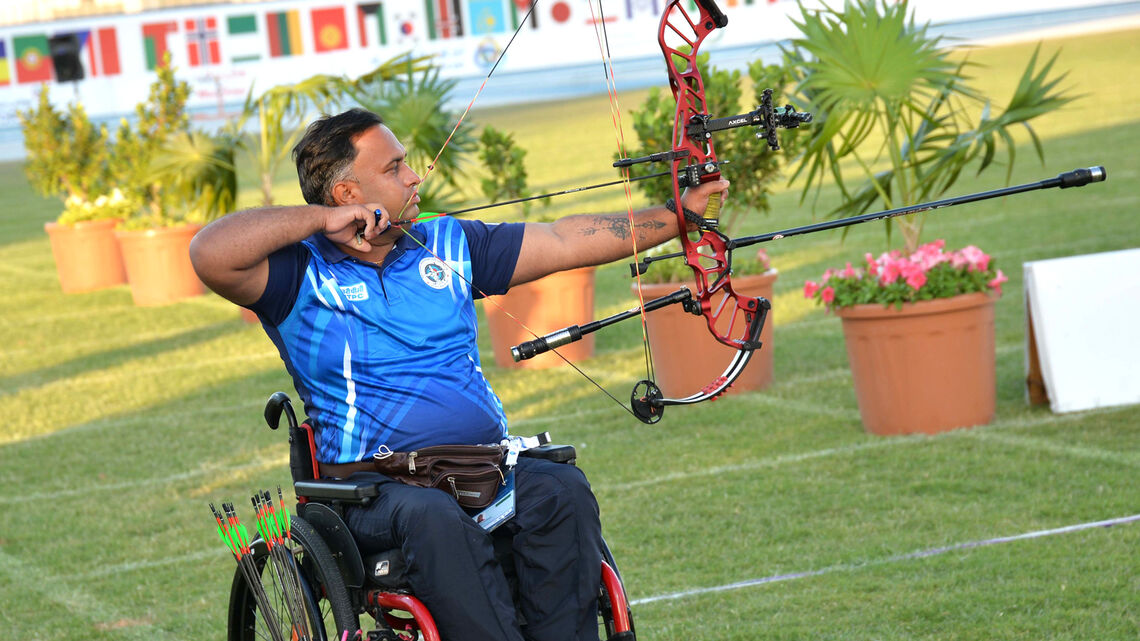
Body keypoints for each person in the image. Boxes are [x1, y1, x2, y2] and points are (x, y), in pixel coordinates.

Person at [189, 107, 727, 641]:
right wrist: (316, 221)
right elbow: (209, 253)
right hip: (372, 491)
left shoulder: (445, 244)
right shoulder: (296, 273)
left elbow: (565, 240)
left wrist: (679, 214)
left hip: (479, 467)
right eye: (394, 167)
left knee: (560, 489)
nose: (413, 175)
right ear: (348, 194)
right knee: (431, 517)